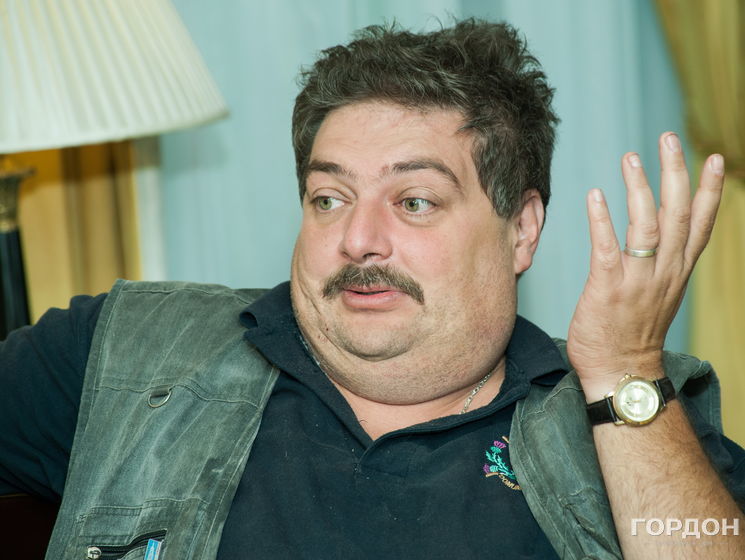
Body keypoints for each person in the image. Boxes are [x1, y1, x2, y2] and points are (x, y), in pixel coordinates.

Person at [1, 19, 744, 560]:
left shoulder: (631, 415)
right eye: (328, 198)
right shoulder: (128, 352)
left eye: (414, 201)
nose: (358, 239)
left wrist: (623, 372)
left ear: (521, 229)